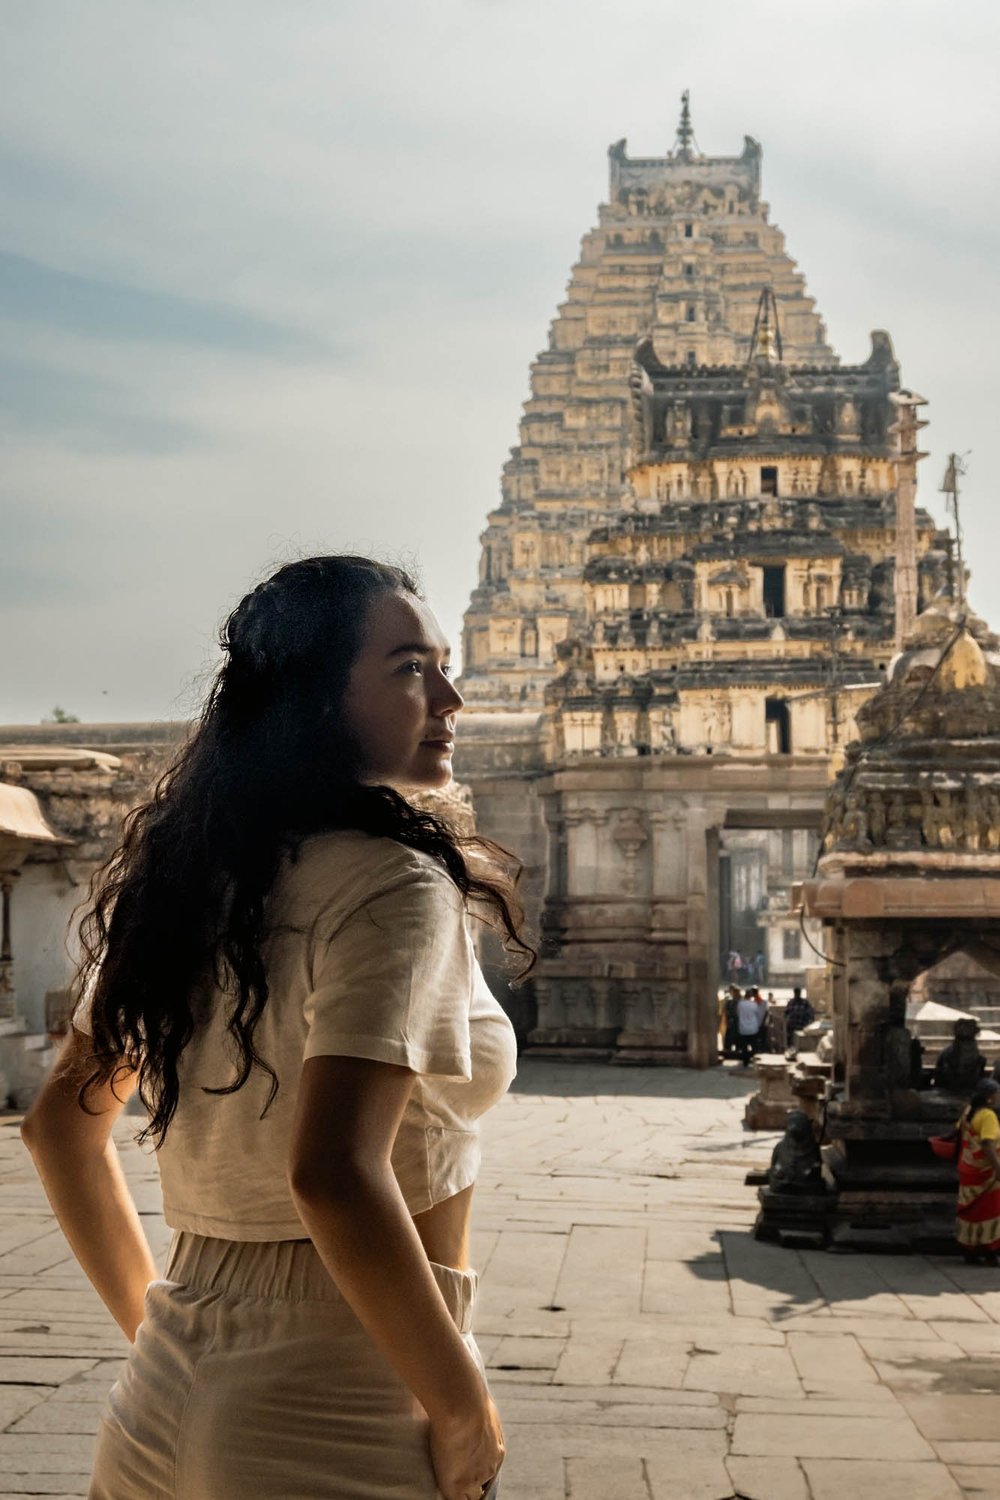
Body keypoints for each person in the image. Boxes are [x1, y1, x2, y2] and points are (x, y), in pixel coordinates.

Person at [22, 556, 533, 1500]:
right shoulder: (396, 879)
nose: (452, 697)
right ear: (313, 698)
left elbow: (61, 1125)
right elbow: (334, 1171)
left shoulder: (181, 878)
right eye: (410, 668)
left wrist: (165, 1338)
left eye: (445, 664)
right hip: (342, 1391)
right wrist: (462, 1404)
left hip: (165, 1378)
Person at [955, 1078, 1000, 1267]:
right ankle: (990, 1251)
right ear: (990, 1097)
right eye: (997, 1093)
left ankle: (970, 1250)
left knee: (971, 1211)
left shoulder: (968, 1112)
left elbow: (958, 1130)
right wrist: (998, 1167)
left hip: (967, 1168)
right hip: (986, 1171)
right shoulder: (988, 1116)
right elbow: (987, 1144)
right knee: (990, 1211)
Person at [736, 989, 763, 1067]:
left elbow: (738, 1014)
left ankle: (745, 1062)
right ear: (751, 996)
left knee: (744, 1047)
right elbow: (758, 1014)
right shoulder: (754, 1004)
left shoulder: (740, 1004)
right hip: (753, 1028)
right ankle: (751, 1058)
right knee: (754, 1046)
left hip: (743, 1028)